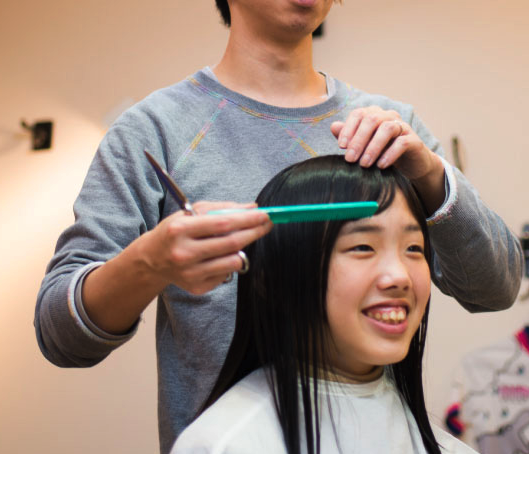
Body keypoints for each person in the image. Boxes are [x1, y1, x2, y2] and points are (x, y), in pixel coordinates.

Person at [35, 0, 522, 453]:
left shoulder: (394, 129)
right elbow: (62, 338)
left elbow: (496, 288)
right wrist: (152, 263)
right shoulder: (153, 131)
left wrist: (429, 171)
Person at [173, 155, 473, 453]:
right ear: (273, 278)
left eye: (414, 248)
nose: (400, 276)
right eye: (363, 246)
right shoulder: (222, 448)